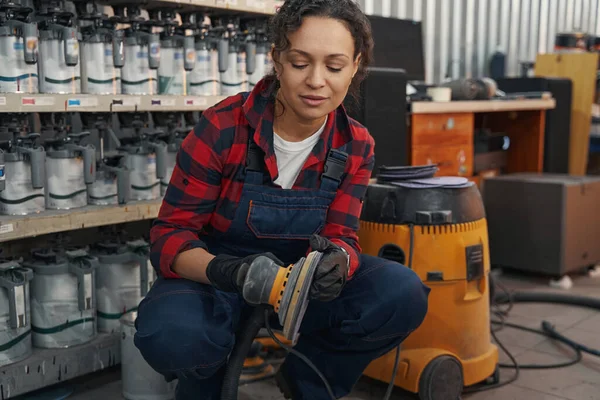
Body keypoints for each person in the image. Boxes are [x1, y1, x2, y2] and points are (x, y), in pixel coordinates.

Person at [133, 0, 431, 399]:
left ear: (356, 65)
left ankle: (306, 383)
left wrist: (339, 261)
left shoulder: (356, 144)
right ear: (276, 59)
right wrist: (232, 273)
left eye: (335, 66)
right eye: (300, 62)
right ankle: (203, 382)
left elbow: (342, 233)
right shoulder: (223, 127)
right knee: (173, 335)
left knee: (400, 294)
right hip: (215, 279)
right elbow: (170, 236)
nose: (316, 81)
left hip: (301, 286)